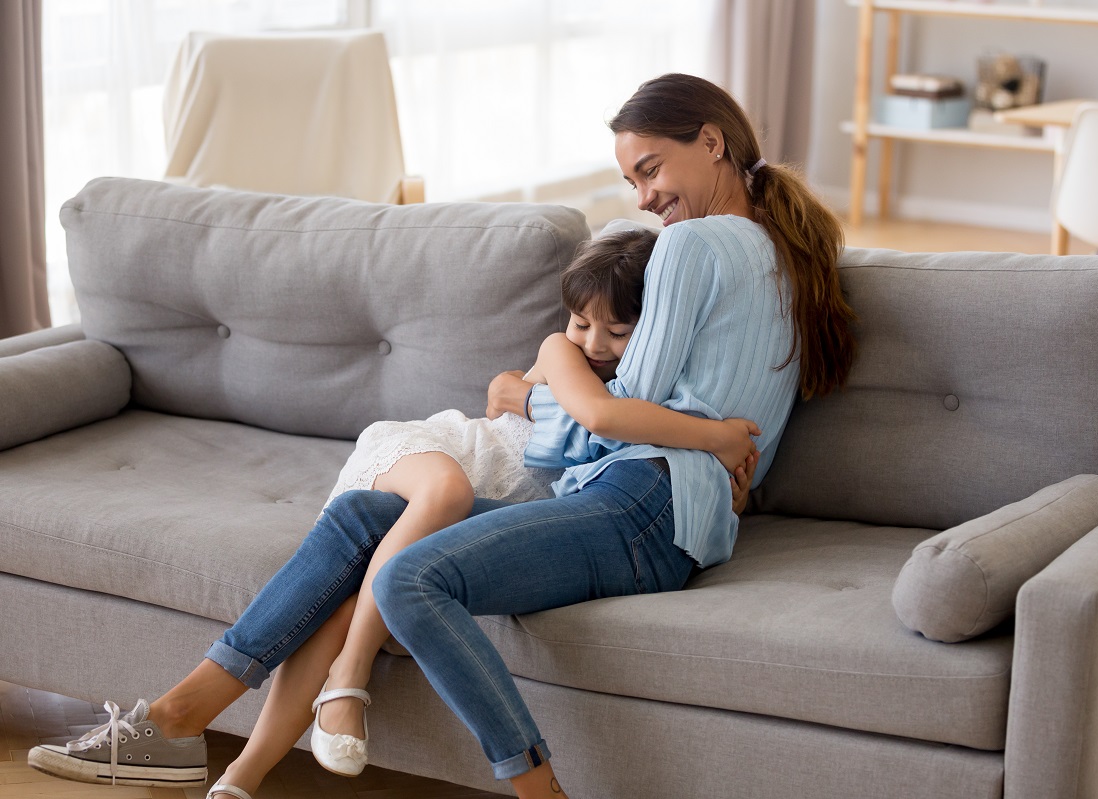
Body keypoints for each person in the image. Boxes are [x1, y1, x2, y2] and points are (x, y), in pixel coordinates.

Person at [30, 72, 856, 799]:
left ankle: (539, 789)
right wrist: (701, 434)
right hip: (656, 504)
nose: (642, 197)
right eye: (632, 178)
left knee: (411, 579)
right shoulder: (786, 251)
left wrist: (544, 372)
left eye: (650, 169)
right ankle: (178, 717)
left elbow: (606, 417)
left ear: (710, 141)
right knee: (362, 517)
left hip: (644, 502)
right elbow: (661, 415)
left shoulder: (690, 245)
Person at [27, 227, 759, 799]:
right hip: (440, 455)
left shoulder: (654, 379)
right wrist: (721, 437)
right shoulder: (574, 362)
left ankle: (221, 760)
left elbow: (596, 422)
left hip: (477, 503)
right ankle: (336, 688)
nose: (594, 342)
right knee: (430, 505)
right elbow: (588, 412)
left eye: (617, 332)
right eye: (581, 325)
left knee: (353, 582)